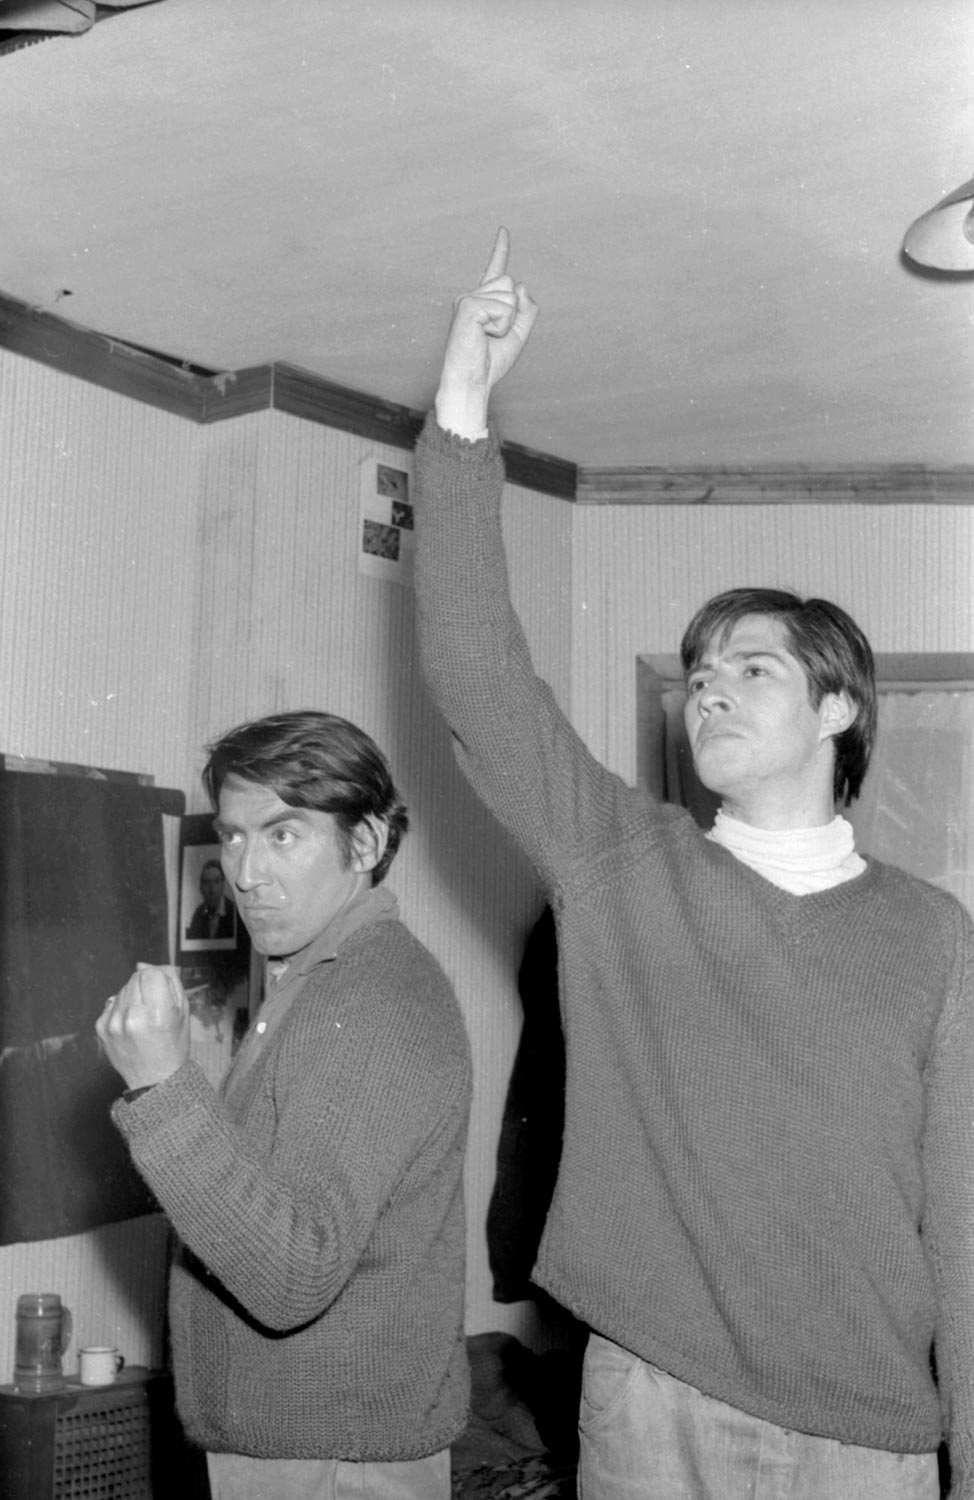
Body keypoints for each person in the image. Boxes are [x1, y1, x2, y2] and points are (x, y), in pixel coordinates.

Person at [412, 227, 974, 1499]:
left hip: (868, 1425)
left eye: (751, 669)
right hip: (651, 1400)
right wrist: (459, 412)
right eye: (699, 675)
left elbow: (964, 1217)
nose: (708, 690)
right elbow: (475, 675)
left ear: (838, 709)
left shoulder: (930, 935)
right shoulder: (624, 863)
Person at [97, 710, 473, 1500]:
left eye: (283, 835)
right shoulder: (317, 981)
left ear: (365, 843)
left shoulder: (370, 997)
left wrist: (163, 1088)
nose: (245, 872)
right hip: (308, 1451)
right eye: (233, 837)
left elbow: (292, 1274)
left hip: (336, 1464)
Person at [185, 857, 236, 940]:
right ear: (201, 888)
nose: (212, 890)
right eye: (207, 883)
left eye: (217, 882)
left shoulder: (234, 913)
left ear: (223, 885)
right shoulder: (198, 914)